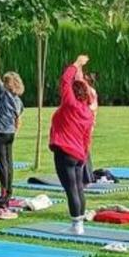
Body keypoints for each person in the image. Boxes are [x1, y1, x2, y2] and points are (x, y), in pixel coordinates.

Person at [49, 54, 95, 235]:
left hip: (64, 152)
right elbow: (86, 138)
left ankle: (77, 226)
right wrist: (84, 156)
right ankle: (79, 223)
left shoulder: (69, 104)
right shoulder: (88, 113)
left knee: (71, 189)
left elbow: (65, 80)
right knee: (77, 187)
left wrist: (76, 63)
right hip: (78, 155)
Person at [0, 40, 25, 203]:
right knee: (9, 162)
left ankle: (4, 194)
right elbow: (19, 121)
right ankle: (9, 190)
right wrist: (14, 131)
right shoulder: (17, 100)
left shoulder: (1, 92)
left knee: (2, 163)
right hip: (9, 133)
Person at [80, 71, 99, 185]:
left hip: (86, 124)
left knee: (83, 150)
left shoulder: (89, 92)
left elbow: (90, 108)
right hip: (87, 123)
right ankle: (87, 176)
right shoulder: (90, 92)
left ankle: (86, 177)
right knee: (84, 149)